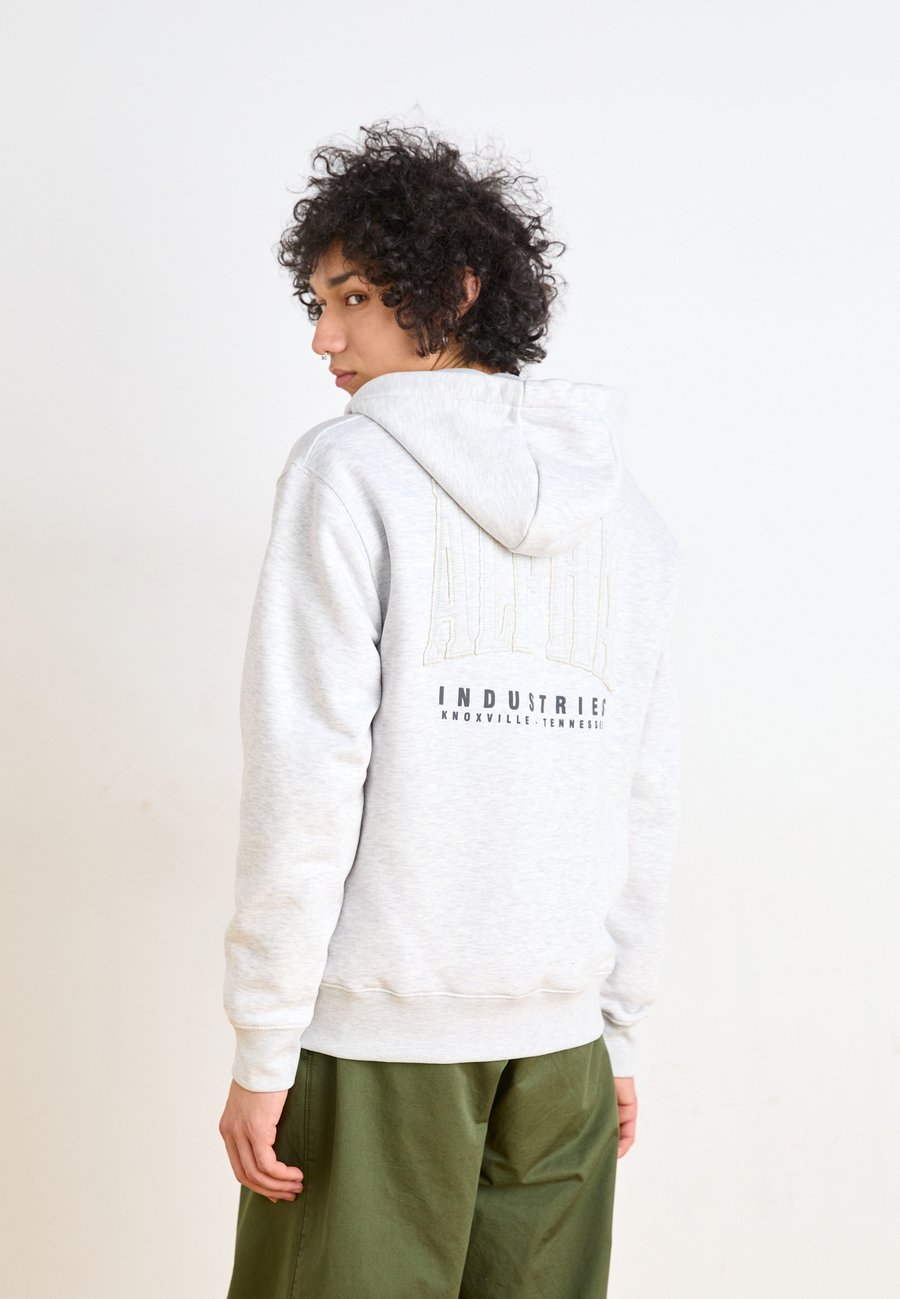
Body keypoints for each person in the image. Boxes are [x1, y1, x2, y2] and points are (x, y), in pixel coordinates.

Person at [218, 120, 682, 1299]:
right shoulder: (628, 516)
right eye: (318, 303)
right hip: (562, 1052)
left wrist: (265, 1041)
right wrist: (615, 1027)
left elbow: (307, 773)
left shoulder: (347, 473)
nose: (324, 338)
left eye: (356, 299)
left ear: (457, 292)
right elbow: (645, 793)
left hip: (383, 1045)